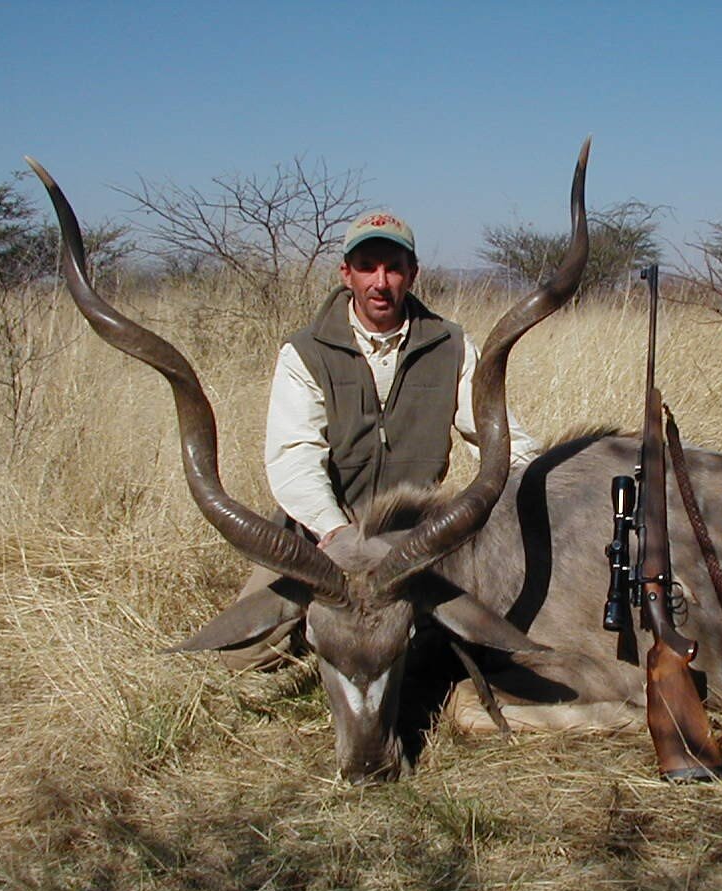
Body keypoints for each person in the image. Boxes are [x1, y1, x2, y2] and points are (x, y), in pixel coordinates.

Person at [217, 210, 540, 670]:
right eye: (368, 266)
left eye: (393, 267)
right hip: (323, 534)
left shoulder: (450, 345)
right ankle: (332, 638)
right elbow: (295, 458)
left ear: (412, 273)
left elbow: (495, 437)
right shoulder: (304, 352)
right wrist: (335, 533)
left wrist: (537, 477)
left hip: (410, 537)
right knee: (246, 655)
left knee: (487, 636)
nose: (381, 282)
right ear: (346, 273)